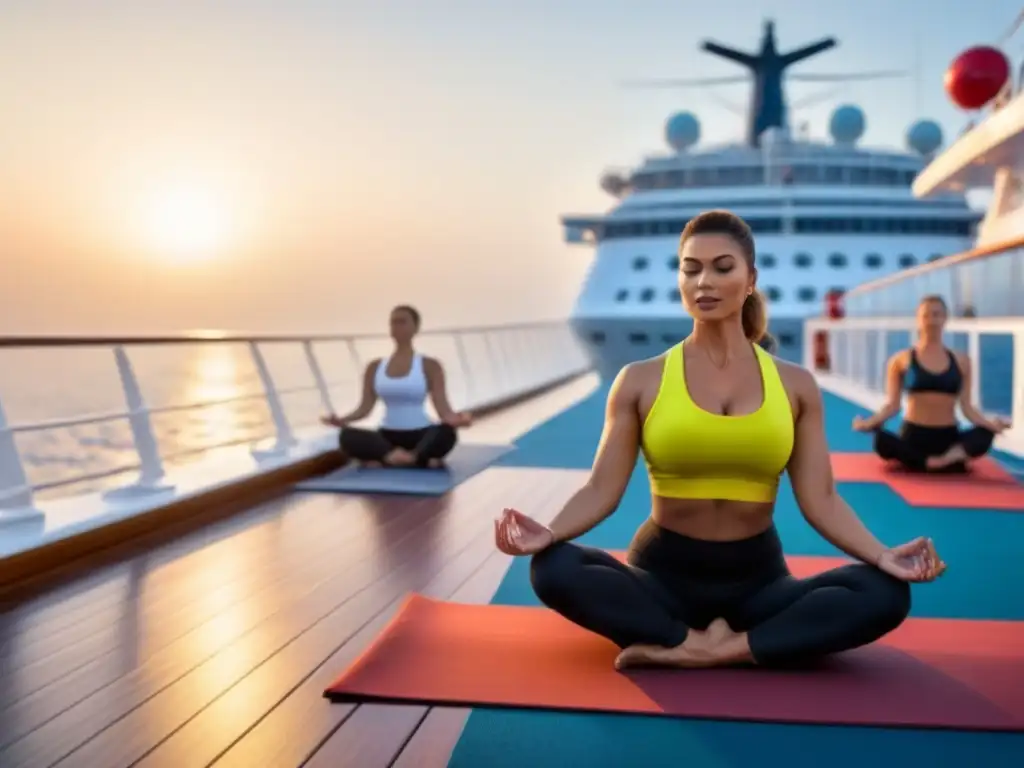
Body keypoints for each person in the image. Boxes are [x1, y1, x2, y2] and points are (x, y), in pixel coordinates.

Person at [494, 210, 946, 671]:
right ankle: (711, 642)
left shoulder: (795, 385)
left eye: (722, 267)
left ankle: (712, 647)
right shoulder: (640, 380)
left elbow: (822, 500)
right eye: (691, 269)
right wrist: (549, 534)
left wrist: (882, 555)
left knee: (885, 593)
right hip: (661, 574)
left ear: (750, 278)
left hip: (758, 582)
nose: (703, 281)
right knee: (552, 568)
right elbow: (600, 491)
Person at [852, 295, 1010, 473]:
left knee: (984, 435)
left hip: (948, 436)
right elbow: (892, 405)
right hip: (913, 435)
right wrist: (869, 423)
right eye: (926, 315)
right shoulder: (900, 360)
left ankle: (933, 461)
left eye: (936, 314)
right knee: (880, 440)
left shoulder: (962, 361)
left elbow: (967, 408)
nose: (931, 320)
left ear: (945, 318)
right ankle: (936, 462)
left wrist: (991, 425)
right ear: (918, 320)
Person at [321, 305, 472, 468]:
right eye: (393, 322)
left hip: (421, 434)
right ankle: (412, 458)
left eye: (402, 322)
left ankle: (400, 457)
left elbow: (444, 411)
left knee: (446, 432)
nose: (396, 326)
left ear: (416, 328)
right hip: (387, 437)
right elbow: (364, 408)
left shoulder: (430, 365)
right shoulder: (374, 367)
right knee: (347, 436)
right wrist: (341, 420)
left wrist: (461, 419)